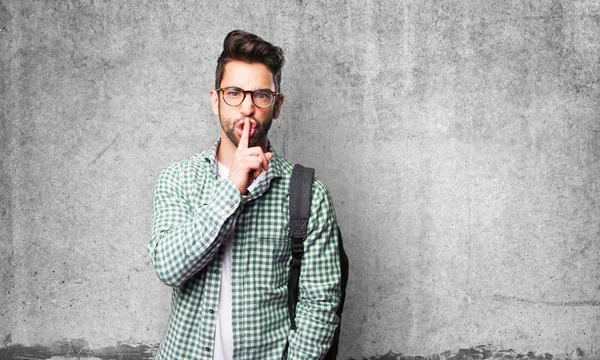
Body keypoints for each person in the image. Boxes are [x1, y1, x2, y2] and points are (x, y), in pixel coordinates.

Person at [148, 30, 342, 359]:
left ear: (277, 105)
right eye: (235, 93)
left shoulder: (307, 194)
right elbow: (168, 266)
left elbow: (320, 306)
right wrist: (233, 187)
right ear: (215, 100)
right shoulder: (178, 179)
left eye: (261, 95)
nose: (247, 108)